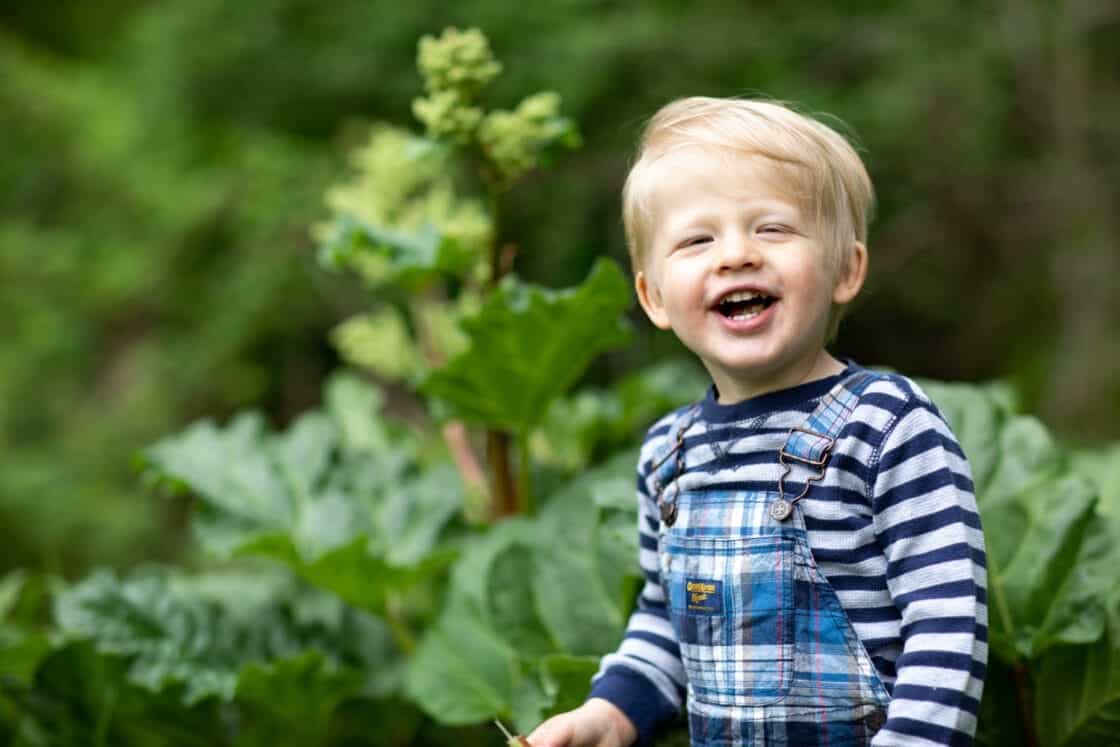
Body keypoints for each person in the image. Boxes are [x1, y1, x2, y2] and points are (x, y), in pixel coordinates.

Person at [527, 97, 987, 747]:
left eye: (772, 228)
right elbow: (665, 622)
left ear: (846, 269)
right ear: (654, 296)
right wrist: (609, 713)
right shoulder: (668, 455)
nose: (736, 254)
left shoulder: (886, 425)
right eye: (696, 239)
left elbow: (947, 622)